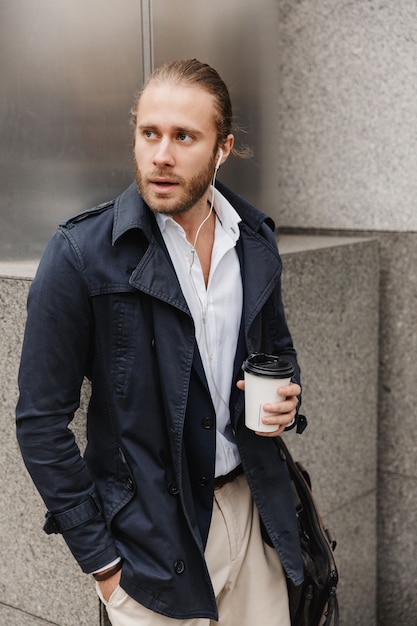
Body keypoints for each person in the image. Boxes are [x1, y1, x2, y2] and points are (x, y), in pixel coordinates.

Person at [16, 58, 306, 626]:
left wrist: (287, 400)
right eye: (149, 133)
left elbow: (279, 355)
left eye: (184, 137)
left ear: (222, 149)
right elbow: (40, 423)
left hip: (252, 518)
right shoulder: (81, 253)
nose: (161, 155)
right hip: (150, 546)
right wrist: (103, 564)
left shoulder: (254, 242)